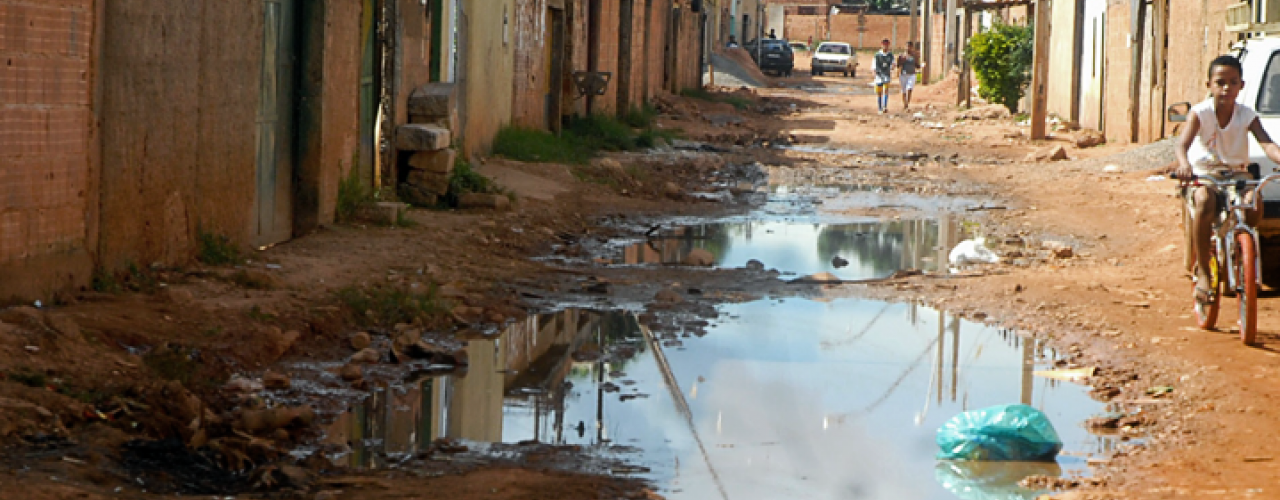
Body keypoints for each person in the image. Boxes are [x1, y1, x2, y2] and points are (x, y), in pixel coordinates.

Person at [1175, 55, 1280, 309]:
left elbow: (1266, 142)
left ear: (1241, 86)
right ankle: (1202, 272)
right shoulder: (1200, 113)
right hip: (1205, 175)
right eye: (1220, 82)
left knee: (1253, 203)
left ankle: (1238, 246)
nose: (1226, 88)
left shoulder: (1247, 115)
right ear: (1209, 85)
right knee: (1204, 201)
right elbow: (1182, 144)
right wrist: (1184, 164)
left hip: (1237, 174)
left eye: (1232, 82)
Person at [897, 42, 924, 111]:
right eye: (907, 46)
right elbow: (898, 65)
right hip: (903, 74)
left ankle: (907, 102)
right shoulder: (901, 56)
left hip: (911, 74)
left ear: (912, 48)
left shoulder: (914, 56)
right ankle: (905, 103)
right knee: (903, 90)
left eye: (909, 47)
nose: (908, 48)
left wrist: (921, 66)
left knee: (909, 89)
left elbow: (917, 65)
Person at [873, 38, 894, 114]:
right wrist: (875, 73)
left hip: (886, 74)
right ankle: (879, 108)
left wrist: (892, 67)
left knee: (886, 90)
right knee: (879, 92)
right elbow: (874, 65)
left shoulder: (890, 55)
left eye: (886, 44)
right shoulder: (877, 55)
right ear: (881, 45)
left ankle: (885, 106)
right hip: (879, 75)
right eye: (884, 44)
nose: (885, 46)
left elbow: (892, 64)